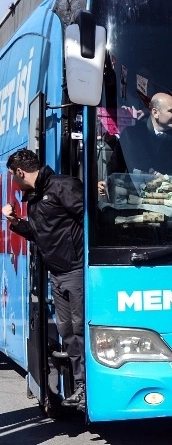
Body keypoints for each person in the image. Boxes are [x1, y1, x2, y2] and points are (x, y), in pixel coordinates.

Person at [3, 149, 86, 407]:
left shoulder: (62, 186)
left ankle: (87, 387)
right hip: (58, 275)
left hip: (76, 271)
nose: (13, 183)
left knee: (81, 329)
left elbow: (90, 218)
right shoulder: (35, 197)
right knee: (68, 332)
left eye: (12, 177)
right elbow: (41, 235)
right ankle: (80, 386)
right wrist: (15, 222)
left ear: (20, 172)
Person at [111, 92, 172, 176]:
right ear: (155, 113)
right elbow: (116, 165)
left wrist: (165, 178)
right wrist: (106, 181)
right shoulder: (133, 133)